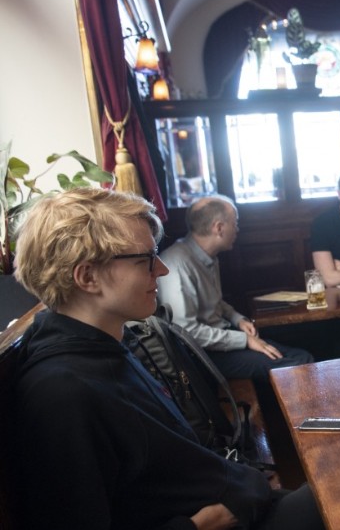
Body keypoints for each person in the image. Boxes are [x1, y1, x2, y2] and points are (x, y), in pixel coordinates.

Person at [11, 188, 323, 529]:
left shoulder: (112, 345)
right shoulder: (61, 394)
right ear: (88, 277)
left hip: (239, 500)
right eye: (145, 259)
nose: (161, 270)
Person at [158, 195, 313, 383]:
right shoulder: (177, 264)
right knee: (299, 365)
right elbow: (186, 332)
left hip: (225, 336)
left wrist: (237, 319)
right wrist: (244, 340)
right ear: (219, 228)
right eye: (235, 223)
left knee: (302, 354)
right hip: (204, 355)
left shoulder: (207, 254)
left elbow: (214, 302)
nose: (237, 230)